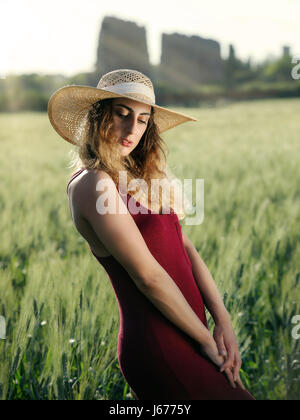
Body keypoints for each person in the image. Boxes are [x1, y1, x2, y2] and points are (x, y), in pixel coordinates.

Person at [48, 69, 255, 400]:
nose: (133, 129)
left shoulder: (137, 176)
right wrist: (204, 340)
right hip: (161, 344)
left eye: (143, 119)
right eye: (123, 114)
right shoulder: (93, 184)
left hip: (194, 332)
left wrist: (222, 320)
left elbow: (183, 246)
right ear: (100, 116)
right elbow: (148, 277)